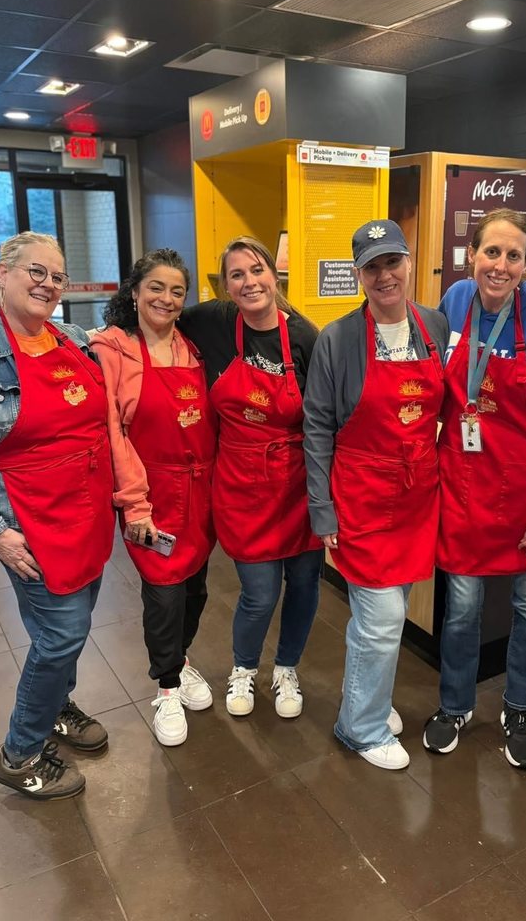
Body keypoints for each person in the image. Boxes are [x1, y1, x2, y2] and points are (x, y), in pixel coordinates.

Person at [0, 232, 114, 800]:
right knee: (60, 635)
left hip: (86, 512)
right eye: (36, 273)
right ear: (4, 272)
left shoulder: (67, 337)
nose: (48, 285)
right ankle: (19, 753)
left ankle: (55, 707)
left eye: (58, 277)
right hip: (32, 520)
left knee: (71, 629)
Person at [423, 208, 526, 770]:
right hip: (461, 487)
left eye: (514, 256)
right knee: (461, 609)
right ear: (471, 256)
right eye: (492, 252)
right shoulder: (455, 302)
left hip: (522, 493)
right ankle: (455, 704)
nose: (501, 265)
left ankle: (520, 707)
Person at [304, 219, 448, 770]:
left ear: (409, 262)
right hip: (361, 495)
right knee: (383, 617)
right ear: (358, 275)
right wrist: (323, 508)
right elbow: (316, 427)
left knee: (380, 616)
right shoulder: (339, 339)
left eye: (393, 262)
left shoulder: (432, 323)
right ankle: (360, 727)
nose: (385, 275)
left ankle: (368, 701)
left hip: (415, 495)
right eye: (372, 267)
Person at [179, 237, 322, 719]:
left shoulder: (304, 335)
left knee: (303, 584)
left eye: (256, 270)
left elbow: (325, 415)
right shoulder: (211, 322)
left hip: (298, 483)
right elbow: (156, 316)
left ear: (273, 276)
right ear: (226, 285)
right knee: (259, 594)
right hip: (240, 483)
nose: (248, 282)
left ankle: (286, 668)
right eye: (236, 274)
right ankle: (244, 668)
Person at [91, 250, 216, 747]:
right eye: (156, 288)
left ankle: (181, 660)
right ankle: (166, 687)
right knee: (163, 596)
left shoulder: (194, 349)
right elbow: (113, 434)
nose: (166, 298)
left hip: (200, 491)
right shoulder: (113, 350)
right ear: (136, 292)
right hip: (152, 493)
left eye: (177, 291)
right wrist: (135, 505)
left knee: (196, 590)